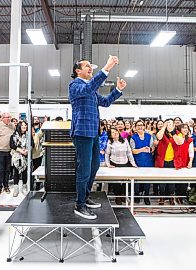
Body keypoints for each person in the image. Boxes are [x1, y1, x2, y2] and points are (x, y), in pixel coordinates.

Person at [69, 55, 125, 220]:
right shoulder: (75, 85)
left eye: (91, 66)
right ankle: (80, 204)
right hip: (82, 133)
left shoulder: (91, 89)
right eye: (87, 66)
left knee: (93, 166)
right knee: (84, 169)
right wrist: (106, 68)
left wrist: (118, 90)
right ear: (78, 71)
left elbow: (106, 102)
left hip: (93, 132)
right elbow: (87, 89)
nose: (90, 68)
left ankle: (85, 197)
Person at [105, 127, 137, 205]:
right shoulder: (109, 142)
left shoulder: (125, 140)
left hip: (125, 163)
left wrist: (133, 163)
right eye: (112, 132)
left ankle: (122, 194)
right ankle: (118, 197)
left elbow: (129, 152)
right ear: (110, 135)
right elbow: (107, 154)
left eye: (116, 131)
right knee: (116, 182)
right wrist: (108, 164)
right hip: (114, 163)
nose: (115, 133)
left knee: (125, 181)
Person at [130, 119, 155, 205]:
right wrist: (142, 149)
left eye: (141, 125)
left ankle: (146, 197)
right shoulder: (133, 138)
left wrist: (150, 149)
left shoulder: (149, 136)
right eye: (138, 125)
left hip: (148, 161)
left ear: (144, 127)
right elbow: (133, 151)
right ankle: (136, 196)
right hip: (138, 162)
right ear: (135, 128)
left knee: (147, 181)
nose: (140, 127)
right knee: (136, 181)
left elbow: (152, 148)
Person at [9, 121, 32, 197]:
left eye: (25, 125)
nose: (24, 126)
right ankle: (16, 189)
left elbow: (32, 144)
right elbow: (12, 145)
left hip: (26, 155)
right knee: (16, 172)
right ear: (19, 126)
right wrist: (21, 150)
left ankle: (24, 187)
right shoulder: (14, 136)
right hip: (17, 156)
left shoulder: (28, 135)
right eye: (22, 125)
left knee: (25, 172)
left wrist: (27, 150)